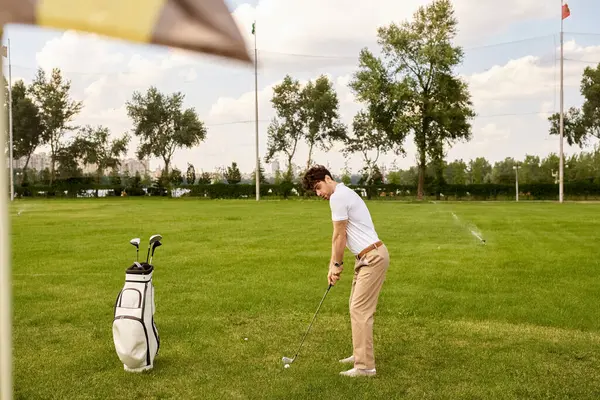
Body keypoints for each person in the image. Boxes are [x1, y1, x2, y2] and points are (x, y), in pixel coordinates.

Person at [302, 165, 390, 377]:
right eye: (315, 191)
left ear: (327, 178)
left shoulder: (338, 197)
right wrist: (332, 265)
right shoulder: (343, 193)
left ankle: (365, 367)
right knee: (355, 306)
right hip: (366, 257)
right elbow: (339, 237)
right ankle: (359, 354)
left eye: (318, 187)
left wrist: (336, 265)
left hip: (372, 257)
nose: (319, 193)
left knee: (360, 310)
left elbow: (339, 236)